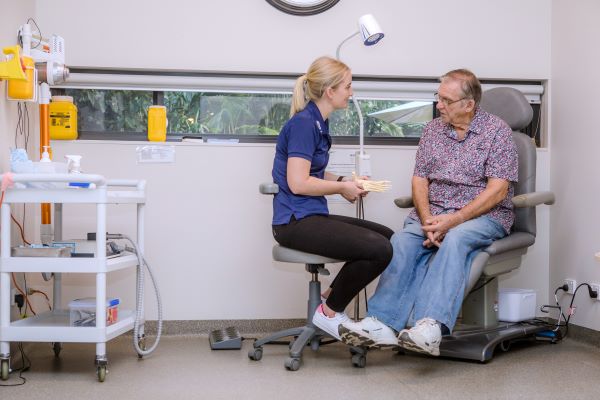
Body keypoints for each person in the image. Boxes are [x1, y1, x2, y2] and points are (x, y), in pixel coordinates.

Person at [339, 69, 518, 356]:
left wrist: (454, 220)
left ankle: (429, 326)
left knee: (457, 239)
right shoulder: (433, 130)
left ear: (468, 104)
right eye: (439, 98)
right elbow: (419, 179)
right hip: (433, 215)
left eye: (446, 100)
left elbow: (497, 190)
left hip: (482, 216)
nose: (439, 105)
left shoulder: (498, 132)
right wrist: (427, 221)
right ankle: (381, 323)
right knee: (401, 241)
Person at [271, 56, 394, 340]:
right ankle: (329, 312)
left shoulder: (317, 122)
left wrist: (345, 182)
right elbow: (298, 183)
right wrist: (342, 189)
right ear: (330, 91)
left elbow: (313, 172)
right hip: (293, 222)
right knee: (379, 249)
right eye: (348, 87)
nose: (351, 93)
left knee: (389, 238)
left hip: (310, 216)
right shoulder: (304, 124)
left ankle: (331, 294)